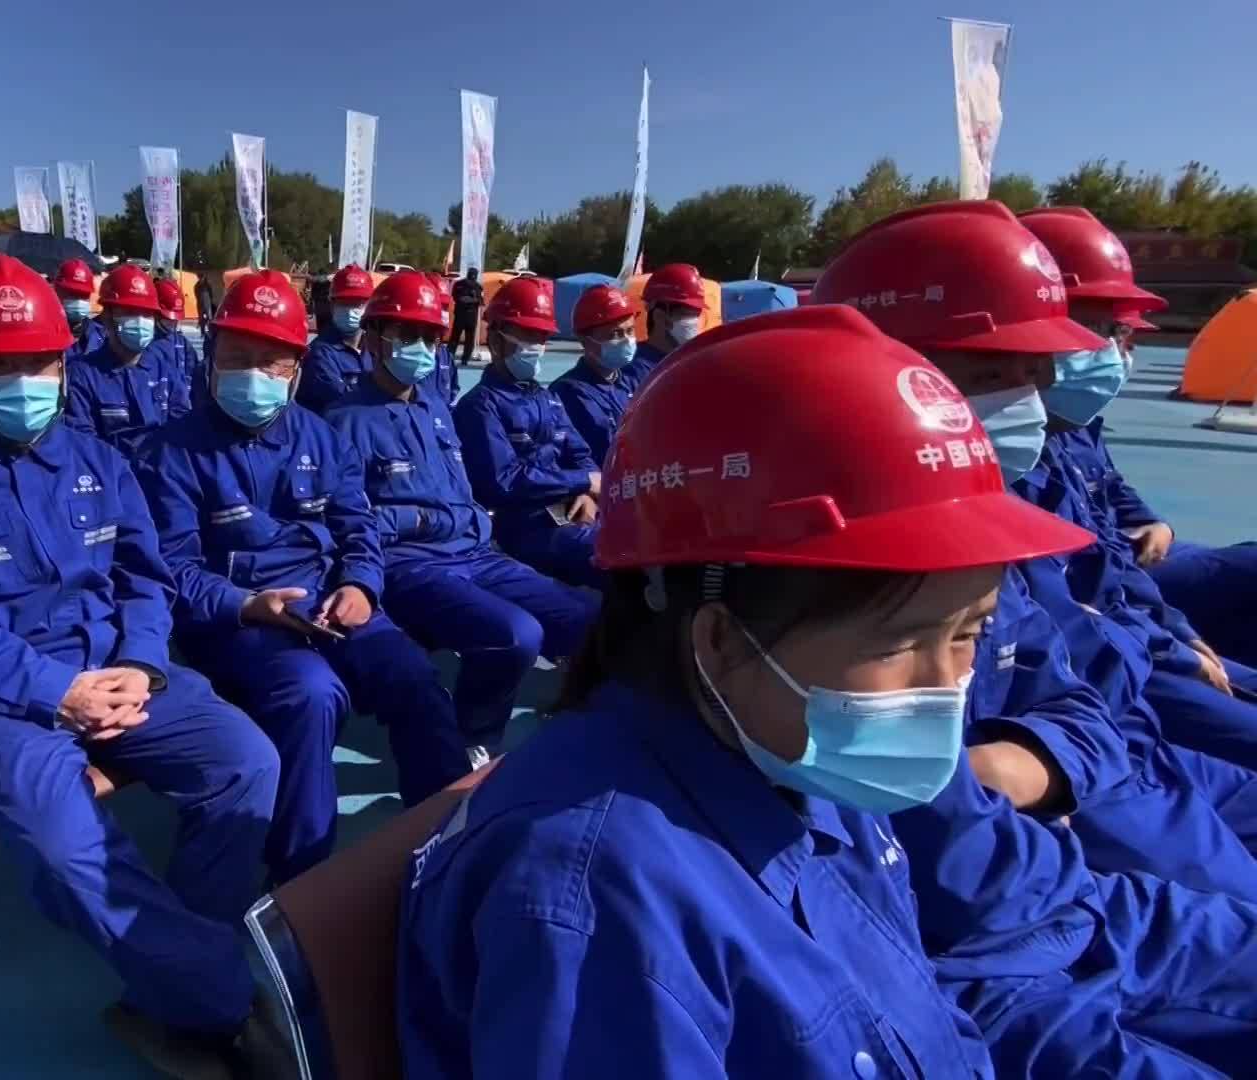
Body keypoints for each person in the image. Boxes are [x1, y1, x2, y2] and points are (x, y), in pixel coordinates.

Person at [400, 306, 1095, 1078]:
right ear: (723, 641)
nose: (949, 689)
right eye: (901, 644)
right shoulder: (601, 905)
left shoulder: (797, 764)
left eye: (969, 634)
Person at [0, 255, 281, 1077]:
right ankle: (223, 998)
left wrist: (139, 661)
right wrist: (55, 690)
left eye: (38, 362)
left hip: (123, 675)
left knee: (246, 762)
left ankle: (170, 975)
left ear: (64, 364)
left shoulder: (100, 461)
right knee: (72, 855)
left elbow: (143, 577)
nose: (22, 379)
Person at [815, 199, 1257, 898]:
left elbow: (1075, 674)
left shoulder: (990, 508)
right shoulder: (820, 575)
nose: (1035, 393)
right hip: (1069, 833)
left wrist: (1040, 758)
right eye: (997, 374)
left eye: (1037, 369)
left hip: (1121, 752)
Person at [136, 270, 470, 885]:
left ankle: (447, 843)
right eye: (238, 358)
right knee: (312, 695)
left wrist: (362, 586)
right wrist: (245, 604)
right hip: (237, 622)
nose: (253, 376)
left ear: (296, 369)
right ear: (210, 356)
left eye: (271, 362)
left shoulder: (320, 435)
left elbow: (357, 527)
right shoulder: (171, 454)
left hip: (327, 602)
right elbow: (172, 570)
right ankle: (301, 879)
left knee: (414, 678)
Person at [326, 271, 594, 756]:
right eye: (408, 336)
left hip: (475, 550)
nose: (422, 348)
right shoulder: (344, 421)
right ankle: (473, 738)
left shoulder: (434, 407)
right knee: (516, 634)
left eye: (431, 337)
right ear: (374, 337)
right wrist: (422, 523)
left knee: (584, 619)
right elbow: (348, 518)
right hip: (410, 564)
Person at [1021, 206, 1257, 673]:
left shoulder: (1073, 417)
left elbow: (1108, 486)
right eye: (1097, 329)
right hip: (1113, 596)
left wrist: (1155, 522)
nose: (1115, 353)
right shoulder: (1017, 441)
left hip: (1125, 573)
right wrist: (1171, 641)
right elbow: (1059, 608)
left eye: (1120, 333)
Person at [452, 277, 603, 589]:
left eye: (542, 337)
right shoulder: (480, 407)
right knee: (611, 557)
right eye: (528, 335)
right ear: (496, 340)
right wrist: (582, 481)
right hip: (524, 527)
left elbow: (581, 455)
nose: (537, 346)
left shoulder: (546, 397)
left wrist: (588, 494)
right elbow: (504, 481)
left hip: (571, 513)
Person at [65, 264, 191, 458]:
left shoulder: (164, 368)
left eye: (147, 313)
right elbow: (83, 444)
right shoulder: (83, 376)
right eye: (130, 312)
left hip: (164, 476)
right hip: (112, 479)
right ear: (107, 317)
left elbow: (182, 422)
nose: (140, 321)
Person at [549, 284, 640, 465]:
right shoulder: (567, 393)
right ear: (585, 339)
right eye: (616, 333)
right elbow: (573, 458)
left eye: (630, 331)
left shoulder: (632, 384)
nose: (627, 340)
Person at [296, 264, 376, 413]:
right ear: (332, 304)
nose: (351, 310)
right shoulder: (319, 355)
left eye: (358, 303)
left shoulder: (375, 347)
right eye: (344, 303)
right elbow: (345, 404)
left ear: (369, 305)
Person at [622, 262, 707, 397]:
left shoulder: (691, 364)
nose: (694, 321)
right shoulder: (633, 371)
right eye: (686, 314)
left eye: (696, 314)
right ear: (659, 316)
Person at [153, 277, 206, 401]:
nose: (172, 322)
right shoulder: (143, 345)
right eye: (168, 318)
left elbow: (194, 376)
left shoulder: (183, 345)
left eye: (175, 319)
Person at [52, 258, 106, 360]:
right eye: (71, 294)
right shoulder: (43, 334)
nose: (77, 300)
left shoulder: (103, 337)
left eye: (83, 295)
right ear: (57, 291)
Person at [448, 267, 484, 363]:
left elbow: (480, 301)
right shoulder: (465, 285)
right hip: (466, 315)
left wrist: (466, 300)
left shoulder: (473, 286)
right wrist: (472, 300)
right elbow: (480, 301)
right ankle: (462, 358)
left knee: (459, 338)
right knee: (464, 338)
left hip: (465, 315)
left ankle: (454, 357)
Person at [193, 273, 215, 341]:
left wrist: (209, 301)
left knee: (209, 317)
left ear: (203, 277)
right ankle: (202, 333)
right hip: (200, 303)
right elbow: (196, 294)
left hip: (207, 302)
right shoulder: (196, 285)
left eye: (201, 277)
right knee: (201, 318)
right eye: (199, 278)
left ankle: (211, 331)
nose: (200, 279)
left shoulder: (207, 285)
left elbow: (211, 294)